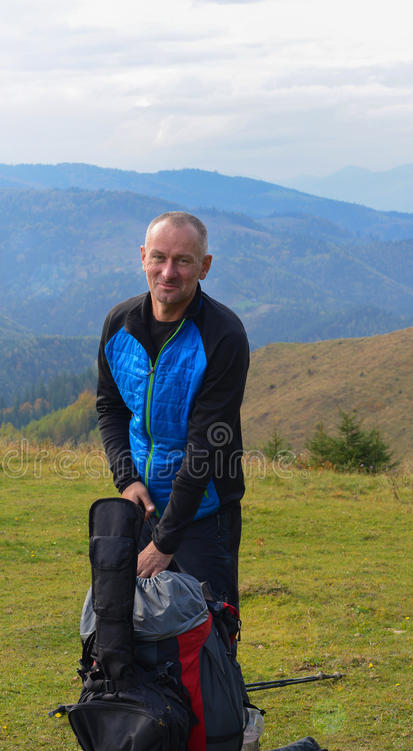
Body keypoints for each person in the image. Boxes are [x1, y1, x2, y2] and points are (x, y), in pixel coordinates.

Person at [96, 211, 250, 608]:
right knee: (136, 629)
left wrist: (166, 541)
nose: (168, 271)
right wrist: (127, 481)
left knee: (210, 630)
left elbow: (207, 443)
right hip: (140, 509)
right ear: (143, 257)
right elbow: (110, 408)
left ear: (204, 267)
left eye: (183, 260)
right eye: (159, 257)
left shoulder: (223, 336)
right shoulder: (119, 324)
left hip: (205, 514)